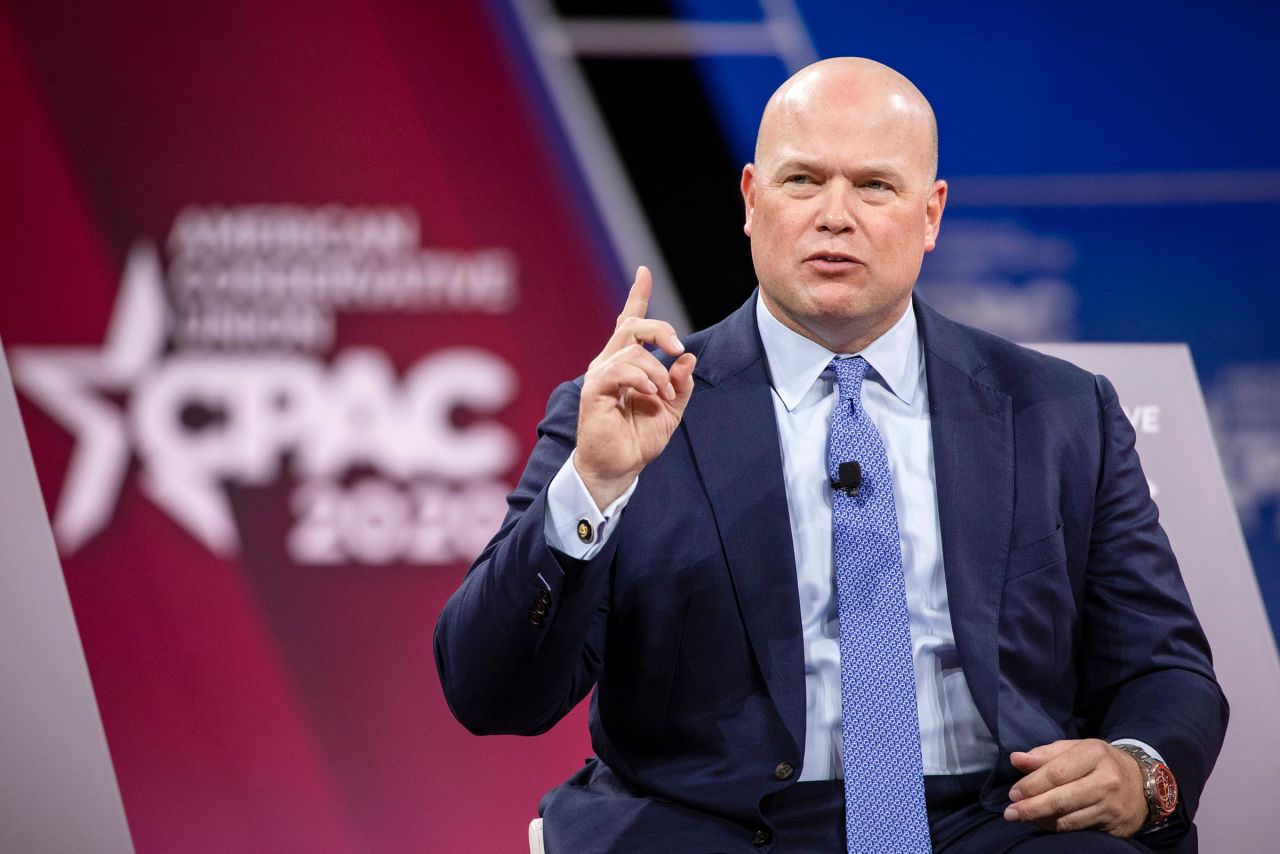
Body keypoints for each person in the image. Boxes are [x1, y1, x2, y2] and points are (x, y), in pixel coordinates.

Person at [434, 57, 1227, 852]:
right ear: (751, 200)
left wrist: (1140, 771)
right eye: (803, 181)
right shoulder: (629, 409)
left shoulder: (1059, 411)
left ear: (931, 213)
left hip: (998, 820)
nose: (834, 216)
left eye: (875, 186)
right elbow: (488, 691)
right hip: (712, 824)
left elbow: (1165, 670)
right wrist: (594, 484)